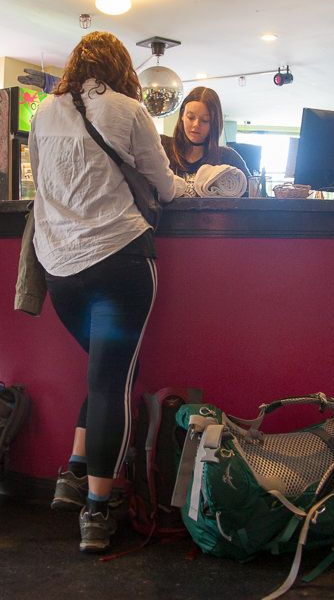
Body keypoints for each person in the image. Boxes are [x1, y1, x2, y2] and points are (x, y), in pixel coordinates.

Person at [31, 31, 177, 552]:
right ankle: (97, 510)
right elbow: (164, 187)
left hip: (61, 274)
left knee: (105, 373)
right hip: (119, 263)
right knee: (111, 379)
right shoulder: (130, 111)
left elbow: (41, 184)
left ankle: (73, 473)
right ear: (121, 67)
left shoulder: (43, 113)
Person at [161, 86, 250, 186]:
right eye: (190, 117)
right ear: (182, 115)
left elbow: (254, 194)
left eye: (205, 120)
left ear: (214, 123)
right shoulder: (162, 148)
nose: (196, 124)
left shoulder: (229, 158)